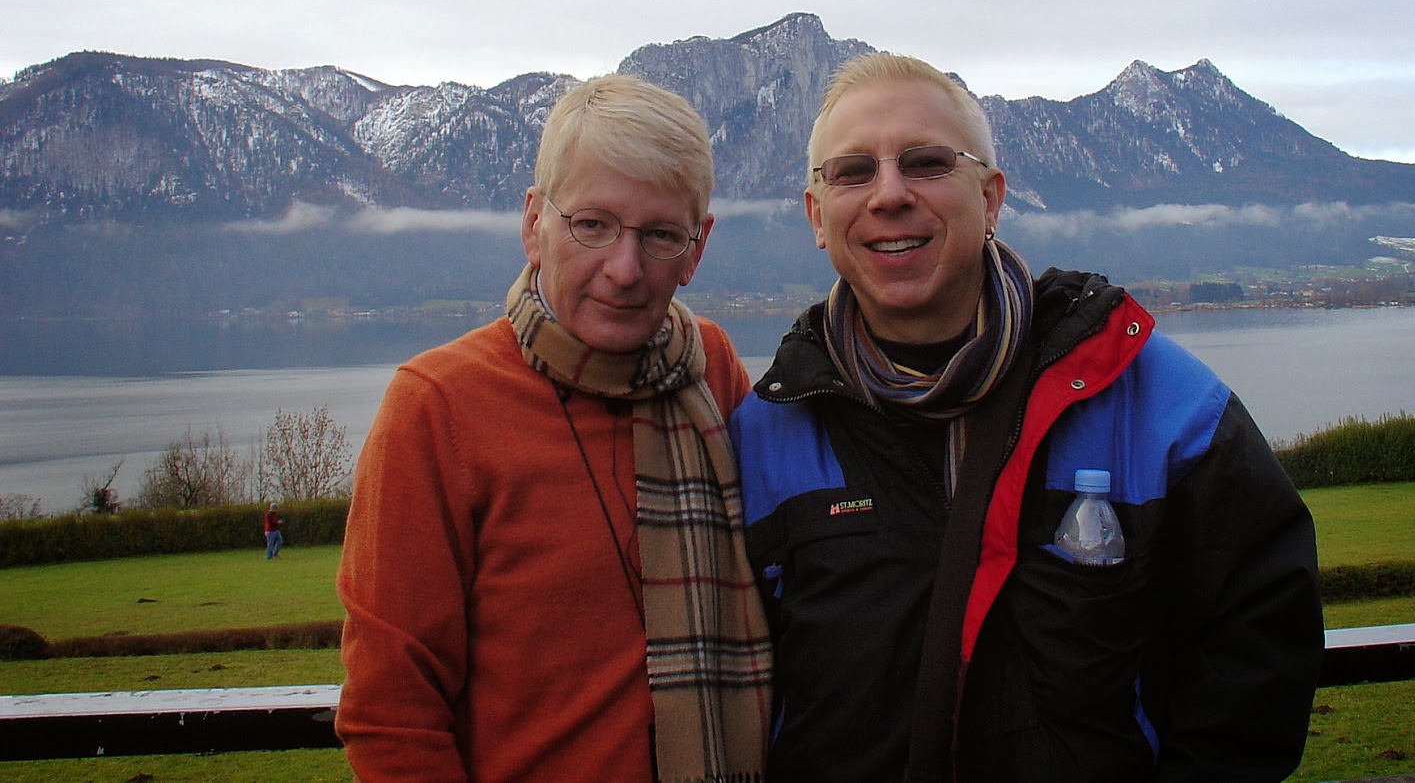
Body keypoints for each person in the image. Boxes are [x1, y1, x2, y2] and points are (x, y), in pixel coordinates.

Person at [730, 53, 1325, 782]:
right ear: (817, 217)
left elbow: (1260, 638)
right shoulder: (764, 431)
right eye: (853, 171)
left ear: (991, 197)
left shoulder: (1148, 396)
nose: (889, 194)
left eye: (925, 162)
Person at [336, 74, 771, 783]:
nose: (624, 270)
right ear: (534, 222)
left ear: (697, 248)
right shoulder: (437, 407)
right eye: (592, 225)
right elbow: (392, 714)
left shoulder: (712, 371)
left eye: (660, 235)